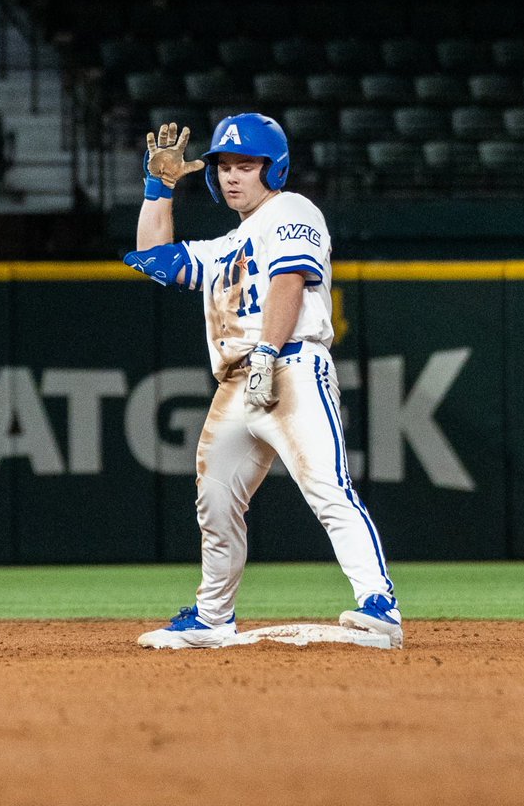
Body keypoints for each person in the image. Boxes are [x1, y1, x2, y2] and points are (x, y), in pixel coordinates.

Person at [123, 112, 402, 649]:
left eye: (246, 165)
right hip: (235, 383)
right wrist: (158, 190)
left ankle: (379, 604)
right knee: (216, 501)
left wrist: (267, 354)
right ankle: (212, 617)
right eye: (224, 165)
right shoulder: (229, 243)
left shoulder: (292, 210)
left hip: (290, 366)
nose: (232, 176)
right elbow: (154, 258)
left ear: (273, 170)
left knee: (326, 486)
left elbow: (289, 280)